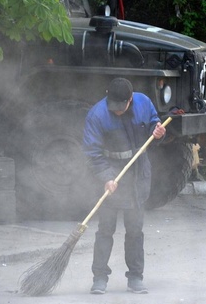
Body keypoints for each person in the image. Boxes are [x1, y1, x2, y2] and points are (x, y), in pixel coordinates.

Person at [82, 77, 166, 294]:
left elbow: (154, 126)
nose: (117, 110)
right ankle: (99, 278)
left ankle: (136, 278)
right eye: (114, 106)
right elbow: (92, 153)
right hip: (111, 175)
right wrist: (107, 177)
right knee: (105, 230)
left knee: (135, 230)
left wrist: (157, 133)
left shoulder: (144, 103)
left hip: (137, 176)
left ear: (130, 100)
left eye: (122, 106)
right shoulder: (97, 115)